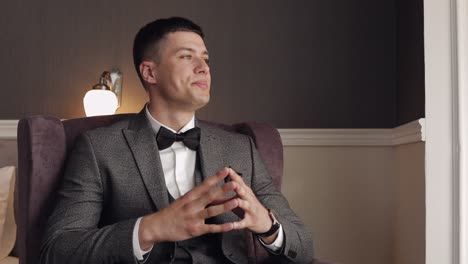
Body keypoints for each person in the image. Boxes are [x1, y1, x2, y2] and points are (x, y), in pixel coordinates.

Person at [39, 17, 313, 263]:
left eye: (205, 59)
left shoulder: (241, 148)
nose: (203, 68)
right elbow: (58, 249)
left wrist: (268, 224)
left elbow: (303, 246)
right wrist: (150, 228)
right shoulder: (98, 148)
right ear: (149, 73)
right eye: (186, 56)